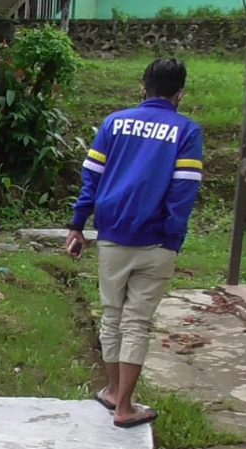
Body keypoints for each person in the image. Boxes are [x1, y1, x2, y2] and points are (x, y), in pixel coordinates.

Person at [66, 58, 204, 429]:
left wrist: (78, 225)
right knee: (137, 323)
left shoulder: (115, 123)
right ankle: (125, 407)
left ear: (143, 87)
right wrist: (173, 236)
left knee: (112, 316)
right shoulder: (186, 131)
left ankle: (112, 392)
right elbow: (183, 190)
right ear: (179, 94)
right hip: (157, 242)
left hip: (112, 235)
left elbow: (91, 178)